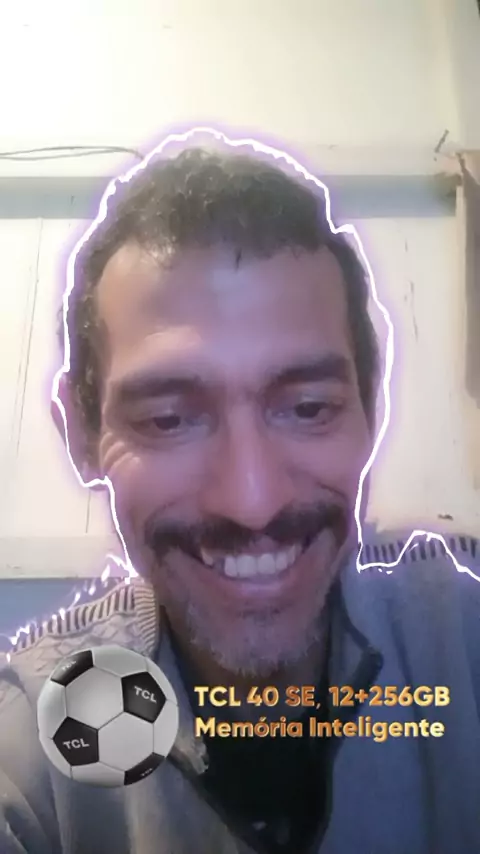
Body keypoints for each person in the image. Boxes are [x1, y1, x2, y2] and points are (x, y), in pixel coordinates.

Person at [0, 143, 479, 854]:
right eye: (169, 419)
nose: (251, 503)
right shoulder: (31, 746)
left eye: (308, 408)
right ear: (82, 434)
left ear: (371, 407)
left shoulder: (463, 647)